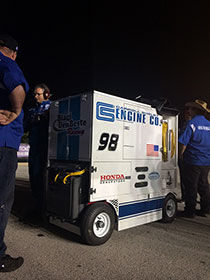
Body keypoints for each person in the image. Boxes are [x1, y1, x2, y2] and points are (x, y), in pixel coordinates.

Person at [0, 34, 29, 272]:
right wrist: (15, 111)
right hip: (4, 142)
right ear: (13, 51)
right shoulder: (5, 62)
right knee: (1, 199)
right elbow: (17, 88)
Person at [178, 99, 210, 218]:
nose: (188, 110)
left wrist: (180, 155)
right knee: (204, 184)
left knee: (191, 185)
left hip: (193, 160)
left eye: (190, 108)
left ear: (195, 110)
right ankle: (206, 209)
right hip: (206, 161)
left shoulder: (191, 124)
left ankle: (190, 211)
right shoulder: (209, 125)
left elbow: (183, 142)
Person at [24, 83, 51, 220]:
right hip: (33, 149)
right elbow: (25, 127)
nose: (35, 96)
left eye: (38, 94)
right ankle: (36, 207)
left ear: (46, 94)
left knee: (42, 178)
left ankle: (44, 210)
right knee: (33, 178)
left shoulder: (52, 107)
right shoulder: (31, 111)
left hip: (45, 149)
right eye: (34, 94)